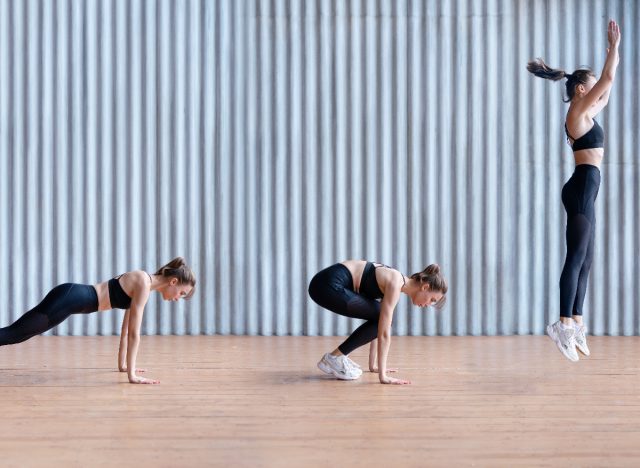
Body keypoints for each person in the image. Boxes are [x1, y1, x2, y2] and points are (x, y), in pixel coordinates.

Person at [527, 20, 621, 361]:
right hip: (581, 188)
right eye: (591, 85)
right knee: (576, 257)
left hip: (587, 188)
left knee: (587, 260)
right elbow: (607, 81)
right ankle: (562, 322)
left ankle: (576, 320)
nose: (597, 89)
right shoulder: (577, 112)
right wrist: (614, 49)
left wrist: (613, 52)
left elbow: (607, 89)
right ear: (581, 89)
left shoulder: (586, 110)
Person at [0, 257, 196, 384]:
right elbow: (135, 334)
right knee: (15, 334)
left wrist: (124, 366)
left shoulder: (143, 284)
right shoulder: (143, 283)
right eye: (181, 293)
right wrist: (133, 377)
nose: (177, 298)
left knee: (16, 333)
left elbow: (126, 330)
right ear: (173, 282)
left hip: (69, 298)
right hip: (68, 298)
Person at [308, 260, 447, 384]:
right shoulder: (395, 282)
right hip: (327, 285)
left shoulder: (396, 280)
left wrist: (373, 366)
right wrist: (383, 375)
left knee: (379, 316)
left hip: (323, 284)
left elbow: (378, 324)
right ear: (425, 287)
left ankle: (335, 357)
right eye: (432, 300)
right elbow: (384, 333)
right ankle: (333, 358)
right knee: (383, 318)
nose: (429, 304)